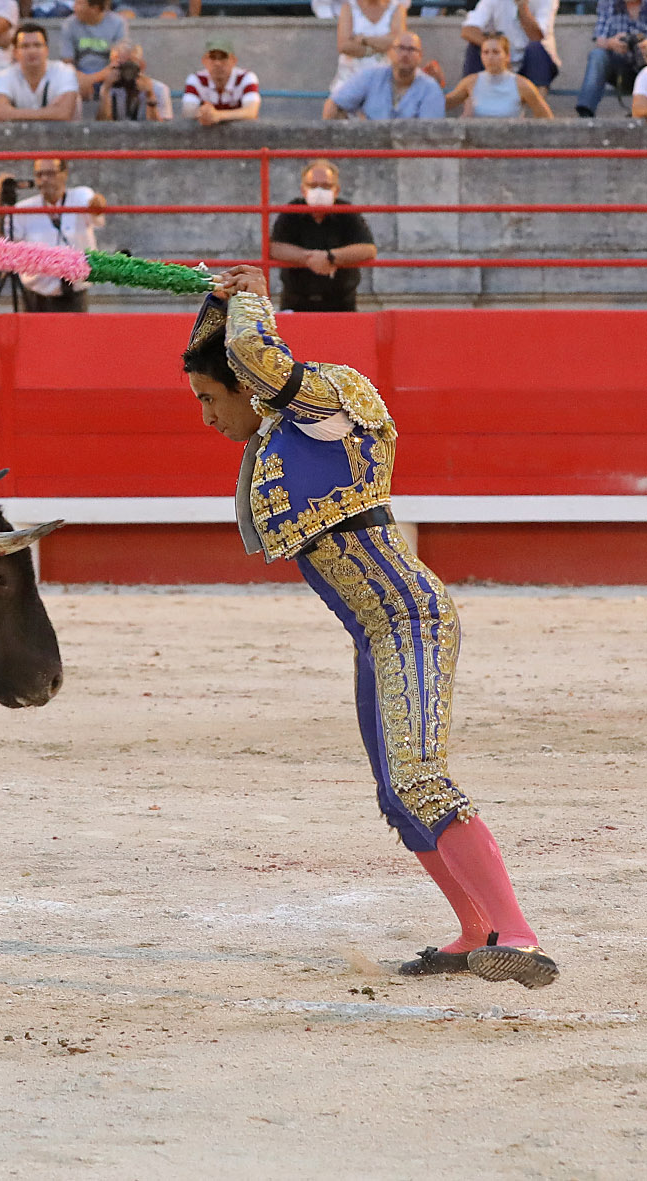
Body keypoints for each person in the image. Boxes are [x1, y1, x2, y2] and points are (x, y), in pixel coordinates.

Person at [180, 264, 559, 992]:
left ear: (245, 385)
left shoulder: (331, 401)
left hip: (410, 618)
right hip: (373, 633)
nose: (206, 416)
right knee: (395, 790)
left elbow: (257, 357)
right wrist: (215, 299)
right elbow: (220, 349)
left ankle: (519, 933)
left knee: (419, 775)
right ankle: (474, 929)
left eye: (207, 399)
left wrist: (253, 294)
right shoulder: (279, 435)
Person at [0, 156, 106, 312]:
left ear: (64, 174)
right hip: (36, 295)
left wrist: (98, 204)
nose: (44, 179)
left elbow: (95, 207)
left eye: (50, 173)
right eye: (39, 174)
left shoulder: (80, 196)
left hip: (75, 294)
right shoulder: (24, 209)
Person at [268, 159, 378, 312]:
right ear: (303, 190)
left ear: (336, 190)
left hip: (341, 304)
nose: (319, 191)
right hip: (296, 303)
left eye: (326, 186)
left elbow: (368, 249)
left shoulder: (346, 212)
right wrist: (310, 258)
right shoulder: (292, 212)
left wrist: (330, 257)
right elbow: (275, 248)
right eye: (313, 186)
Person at [325, 33, 446, 119]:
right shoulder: (371, 75)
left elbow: (430, 134)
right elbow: (334, 104)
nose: (405, 54)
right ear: (390, 53)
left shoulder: (431, 88)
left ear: (420, 56)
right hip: (370, 148)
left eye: (411, 49)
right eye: (400, 48)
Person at [0, 24, 79, 122]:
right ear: (15, 53)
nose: (32, 51)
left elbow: (63, 113)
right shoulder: (6, 75)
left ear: (47, 50)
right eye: (25, 46)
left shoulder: (64, 71)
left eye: (37, 45)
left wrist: (10, 112)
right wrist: (50, 112)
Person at [446, 33, 555, 117]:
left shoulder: (522, 84)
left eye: (496, 52)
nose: (490, 57)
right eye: (486, 52)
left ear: (507, 56)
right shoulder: (470, 82)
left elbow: (546, 118)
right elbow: (445, 103)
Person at [460, 0, 559, 89]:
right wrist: (499, 51)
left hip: (531, 60)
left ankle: (537, 106)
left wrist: (522, 7)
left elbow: (536, 36)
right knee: (474, 48)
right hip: (500, 58)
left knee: (536, 48)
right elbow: (468, 30)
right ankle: (471, 105)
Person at [577, 0, 647, 116]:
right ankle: (585, 111)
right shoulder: (607, 3)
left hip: (645, 66)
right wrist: (611, 43)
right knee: (597, 55)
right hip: (618, 67)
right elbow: (600, 39)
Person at [57, 0, 127, 103]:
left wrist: (90, 79)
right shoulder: (69, 24)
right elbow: (67, 62)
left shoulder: (117, 23)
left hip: (107, 73)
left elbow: (117, 61)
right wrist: (81, 78)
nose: (74, 7)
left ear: (95, 8)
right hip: (79, 73)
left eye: (79, 3)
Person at [334, 0, 407, 94]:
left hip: (385, 80)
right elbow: (344, 46)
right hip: (350, 79)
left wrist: (364, 39)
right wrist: (379, 47)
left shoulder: (397, 8)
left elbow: (398, 42)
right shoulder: (348, 7)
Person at [183, 37, 260, 124]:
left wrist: (218, 115)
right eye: (212, 57)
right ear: (204, 61)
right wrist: (203, 113)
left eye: (223, 57)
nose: (217, 63)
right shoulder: (195, 79)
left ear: (234, 60)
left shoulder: (246, 77)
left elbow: (251, 112)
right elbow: (188, 112)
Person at [95, 40, 170, 121]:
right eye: (122, 66)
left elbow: (162, 130)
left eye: (130, 66)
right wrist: (106, 90)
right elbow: (102, 126)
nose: (126, 72)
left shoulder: (158, 89)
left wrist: (150, 96)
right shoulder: (109, 88)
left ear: (141, 66)